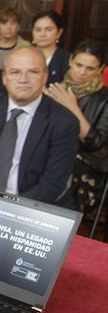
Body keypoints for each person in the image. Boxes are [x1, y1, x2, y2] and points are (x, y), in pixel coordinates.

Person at [0, 47, 79, 205]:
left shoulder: (64, 122)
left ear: (45, 77)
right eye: (15, 72)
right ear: (4, 78)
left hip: (30, 207)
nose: (23, 79)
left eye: (33, 72)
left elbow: (52, 183)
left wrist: (11, 209)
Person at [43, 41, 108, 211]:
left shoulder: (104, 98)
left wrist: (73, 108)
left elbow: (94, 142)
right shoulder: (56, 88)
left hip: (85, 166)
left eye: (90, 68)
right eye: (78, 65)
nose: (82, 72)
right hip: (50, 156)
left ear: (100, 69)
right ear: (71, 60)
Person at [31, 10, 69, 85]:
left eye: (49, 30)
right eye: (38, 30)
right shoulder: (23, 56)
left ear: (59, 32)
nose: (42, 34)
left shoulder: (67, 60)